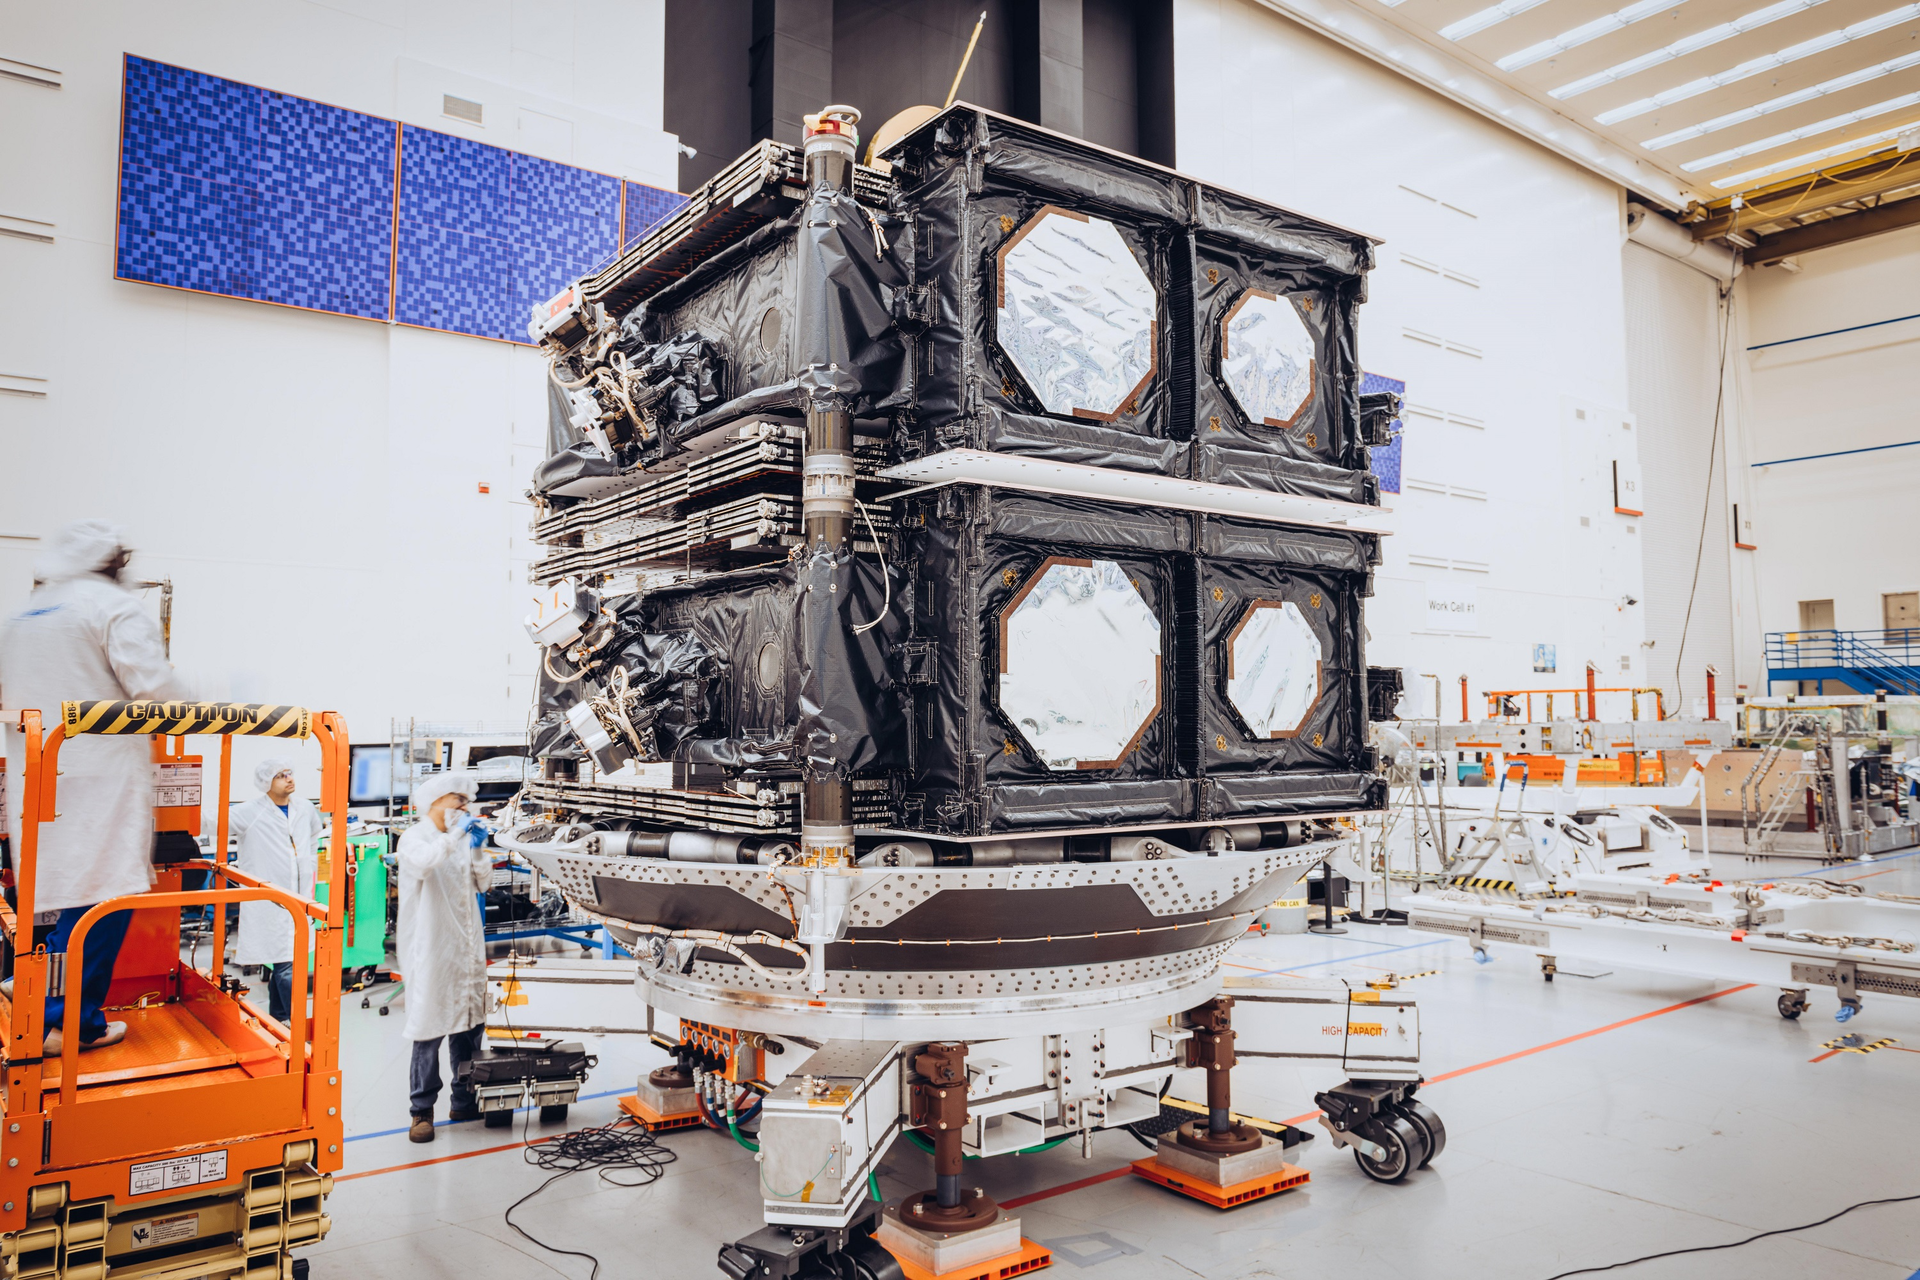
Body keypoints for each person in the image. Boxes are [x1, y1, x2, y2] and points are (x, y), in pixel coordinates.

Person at [0, 521, 183, 1054]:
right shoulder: (110, 606)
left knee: (53, 888)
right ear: (112, 561)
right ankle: (71, 1020)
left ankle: (33, 983)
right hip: (103, 776)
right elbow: (158, 695)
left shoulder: (26, 613)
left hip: (41, 770)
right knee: (106, 891)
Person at [396, 772, 491, 1143]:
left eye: (467, 801)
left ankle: (463, 1099)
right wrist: (455, 836)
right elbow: (424, 863)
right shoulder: (414, 838)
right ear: (435, 801)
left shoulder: (463, 839)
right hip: (432, 948)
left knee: (469, 1024)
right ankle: (421, 1111)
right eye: (458, 800)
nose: (464, 807)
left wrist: (479, 848)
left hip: (466, 946)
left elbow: (483, 883)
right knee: (428, 1027)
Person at [230, 758, 323, 1024]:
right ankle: (294, 1025)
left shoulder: (304, 808)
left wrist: (310, 862)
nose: (289, 779)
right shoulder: (250, 811)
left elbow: (315, 834)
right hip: (270, 901)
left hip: (300, 895)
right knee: (286, 964)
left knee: (286, 960)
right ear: (265, 783)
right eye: (281, 775)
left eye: (289, 773)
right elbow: (213, 822)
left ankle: (279, 1019)